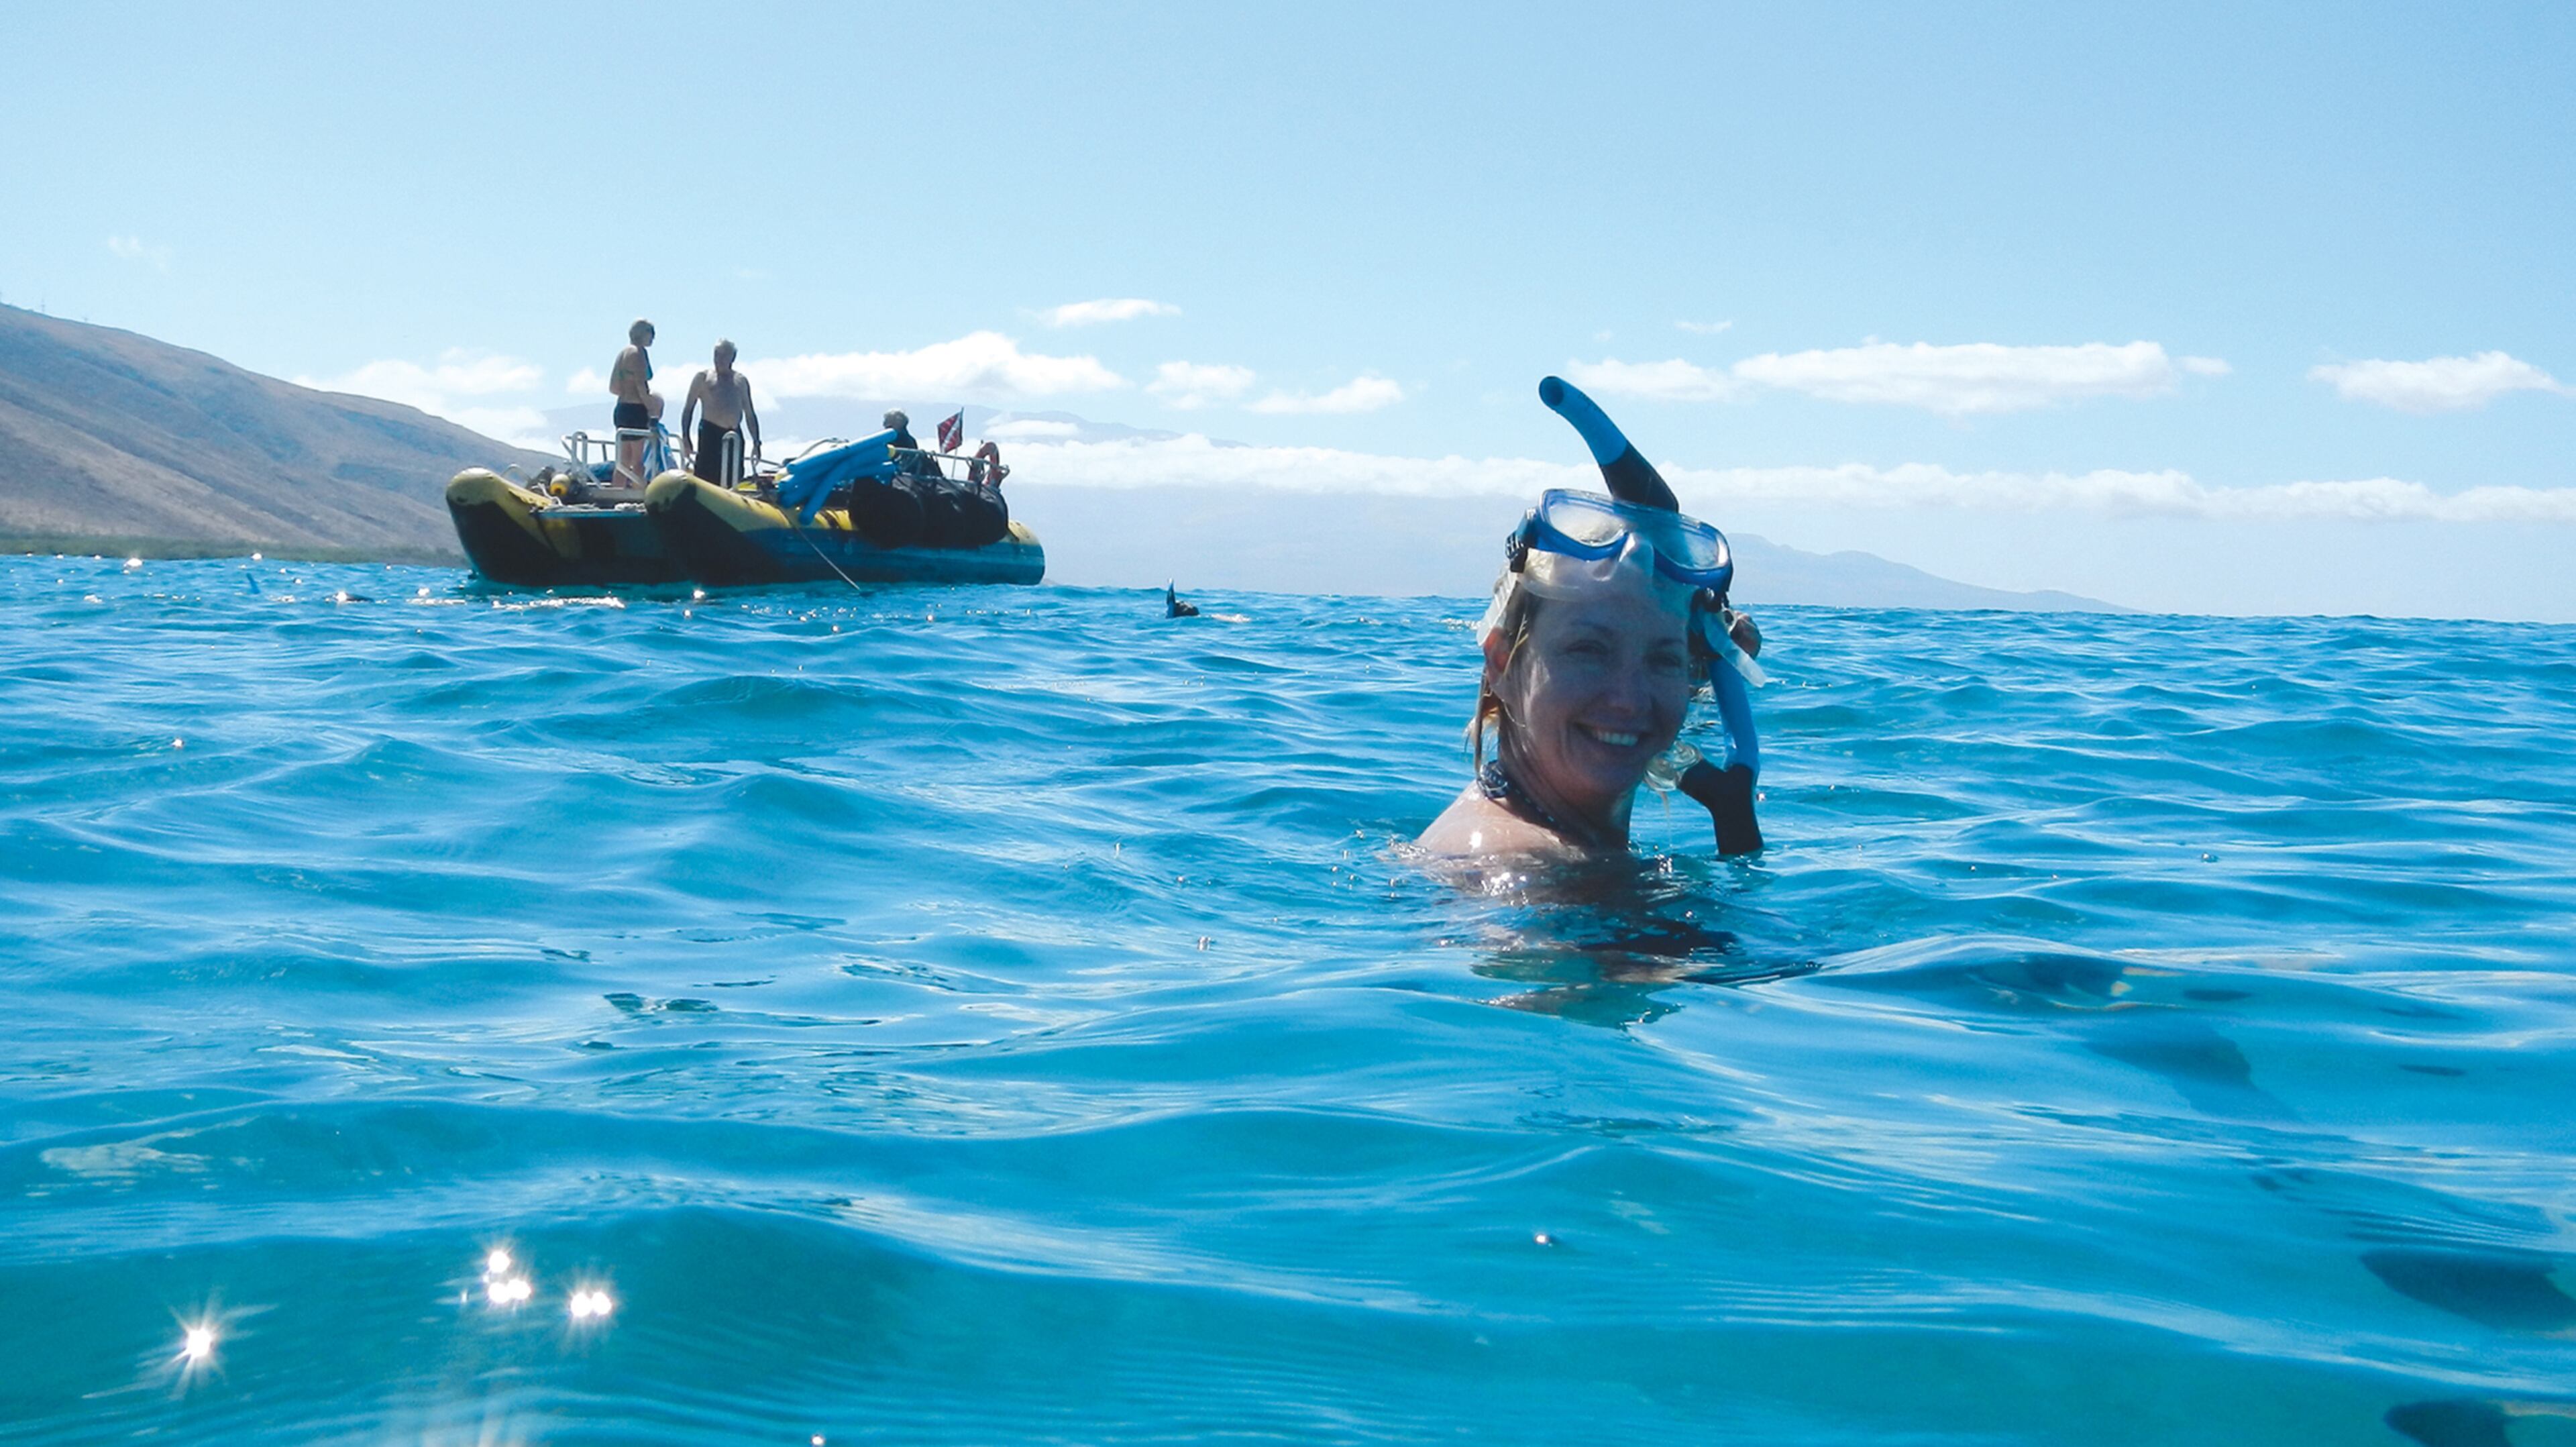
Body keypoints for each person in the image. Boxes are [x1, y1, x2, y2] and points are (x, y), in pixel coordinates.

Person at [1418, 377, 1764, 862]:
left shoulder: (1555, 834)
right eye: (1588, 650)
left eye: (1663, 659)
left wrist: (1732, 815)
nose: (1628, 700)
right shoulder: (1530, 866)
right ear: (1502, 660)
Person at [682, 340, 761, 484]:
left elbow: (750, 413)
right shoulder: (703, 378)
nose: (719, 359)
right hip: (710, 433)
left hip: (734, 435)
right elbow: (688, 409)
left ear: (732, 358)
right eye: (716, 354)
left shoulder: (740, 381)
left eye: (724, 355)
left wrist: (756, 442)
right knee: (707, 477)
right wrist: (686, 438)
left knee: (734, 477)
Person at [608, 319, 656, 486]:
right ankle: (638, 495)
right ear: (643, 334)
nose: (653, 339)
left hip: (621, 408)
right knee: (637, 461)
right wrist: (651, 408)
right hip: (636, 410)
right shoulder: (638, 353)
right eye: (651, 334)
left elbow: (613, 387)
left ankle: (616, 494)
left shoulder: (622, 354)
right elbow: (641, 384)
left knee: (622, 462)